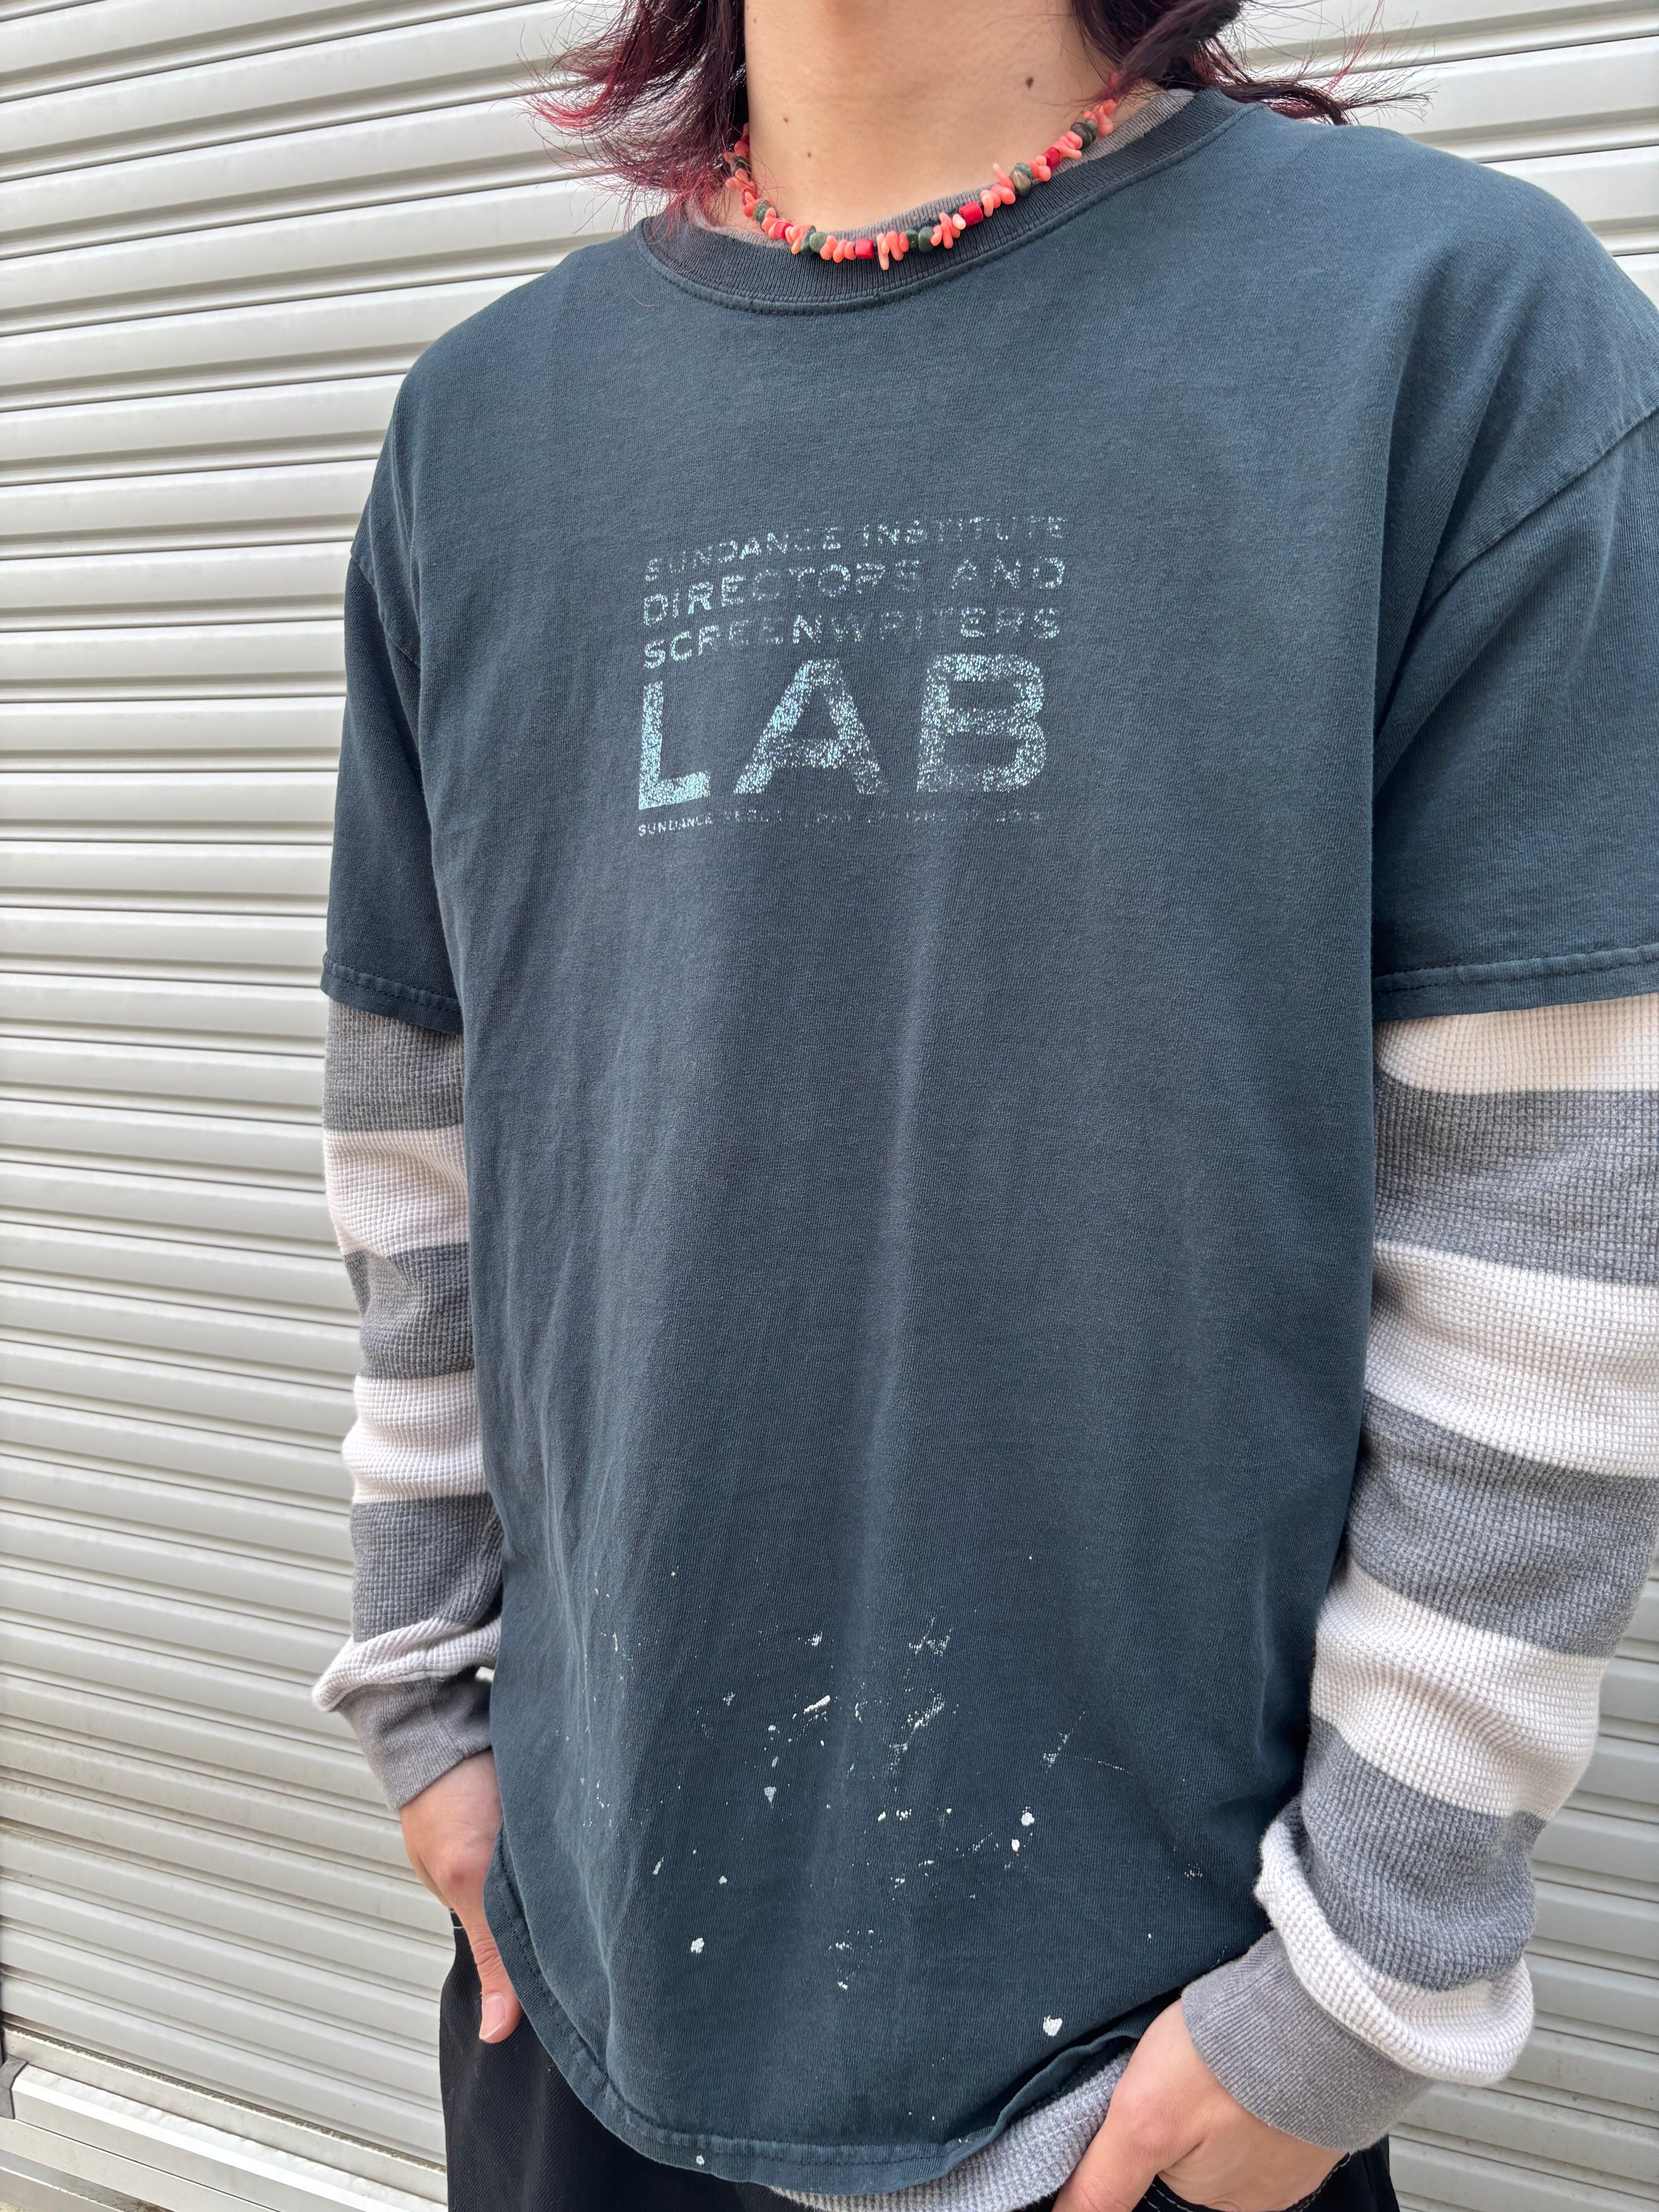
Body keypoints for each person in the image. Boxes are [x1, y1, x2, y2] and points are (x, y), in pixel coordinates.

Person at [311, 0, 1659, 2205]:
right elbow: (418, 1136)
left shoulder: (1446, 331)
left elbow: (1558, 1209)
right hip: (582, 1990)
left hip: (1139, 2073)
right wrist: (426, 1702)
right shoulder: (486, 426)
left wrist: (1360, 1985)